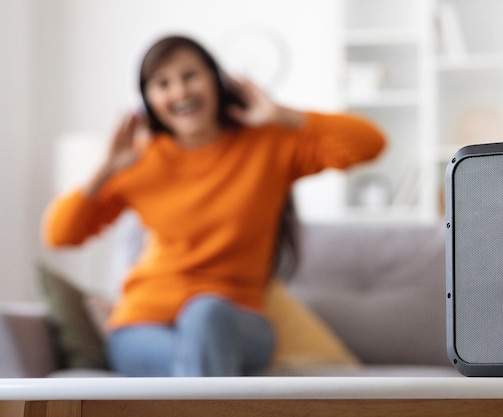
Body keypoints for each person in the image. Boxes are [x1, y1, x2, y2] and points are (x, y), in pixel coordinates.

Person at [42, 35, 386, 377]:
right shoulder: (138, 161)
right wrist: (106, 167)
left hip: (239, 323)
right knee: (195, 358)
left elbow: (369, 143)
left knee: (205, 315)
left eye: (190, 76)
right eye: (163, 83)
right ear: (147, 100)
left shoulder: (267, 144)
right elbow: (60, 234)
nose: (180, 92)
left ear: (217, 81)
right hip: (143, 327)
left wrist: (282, 114)